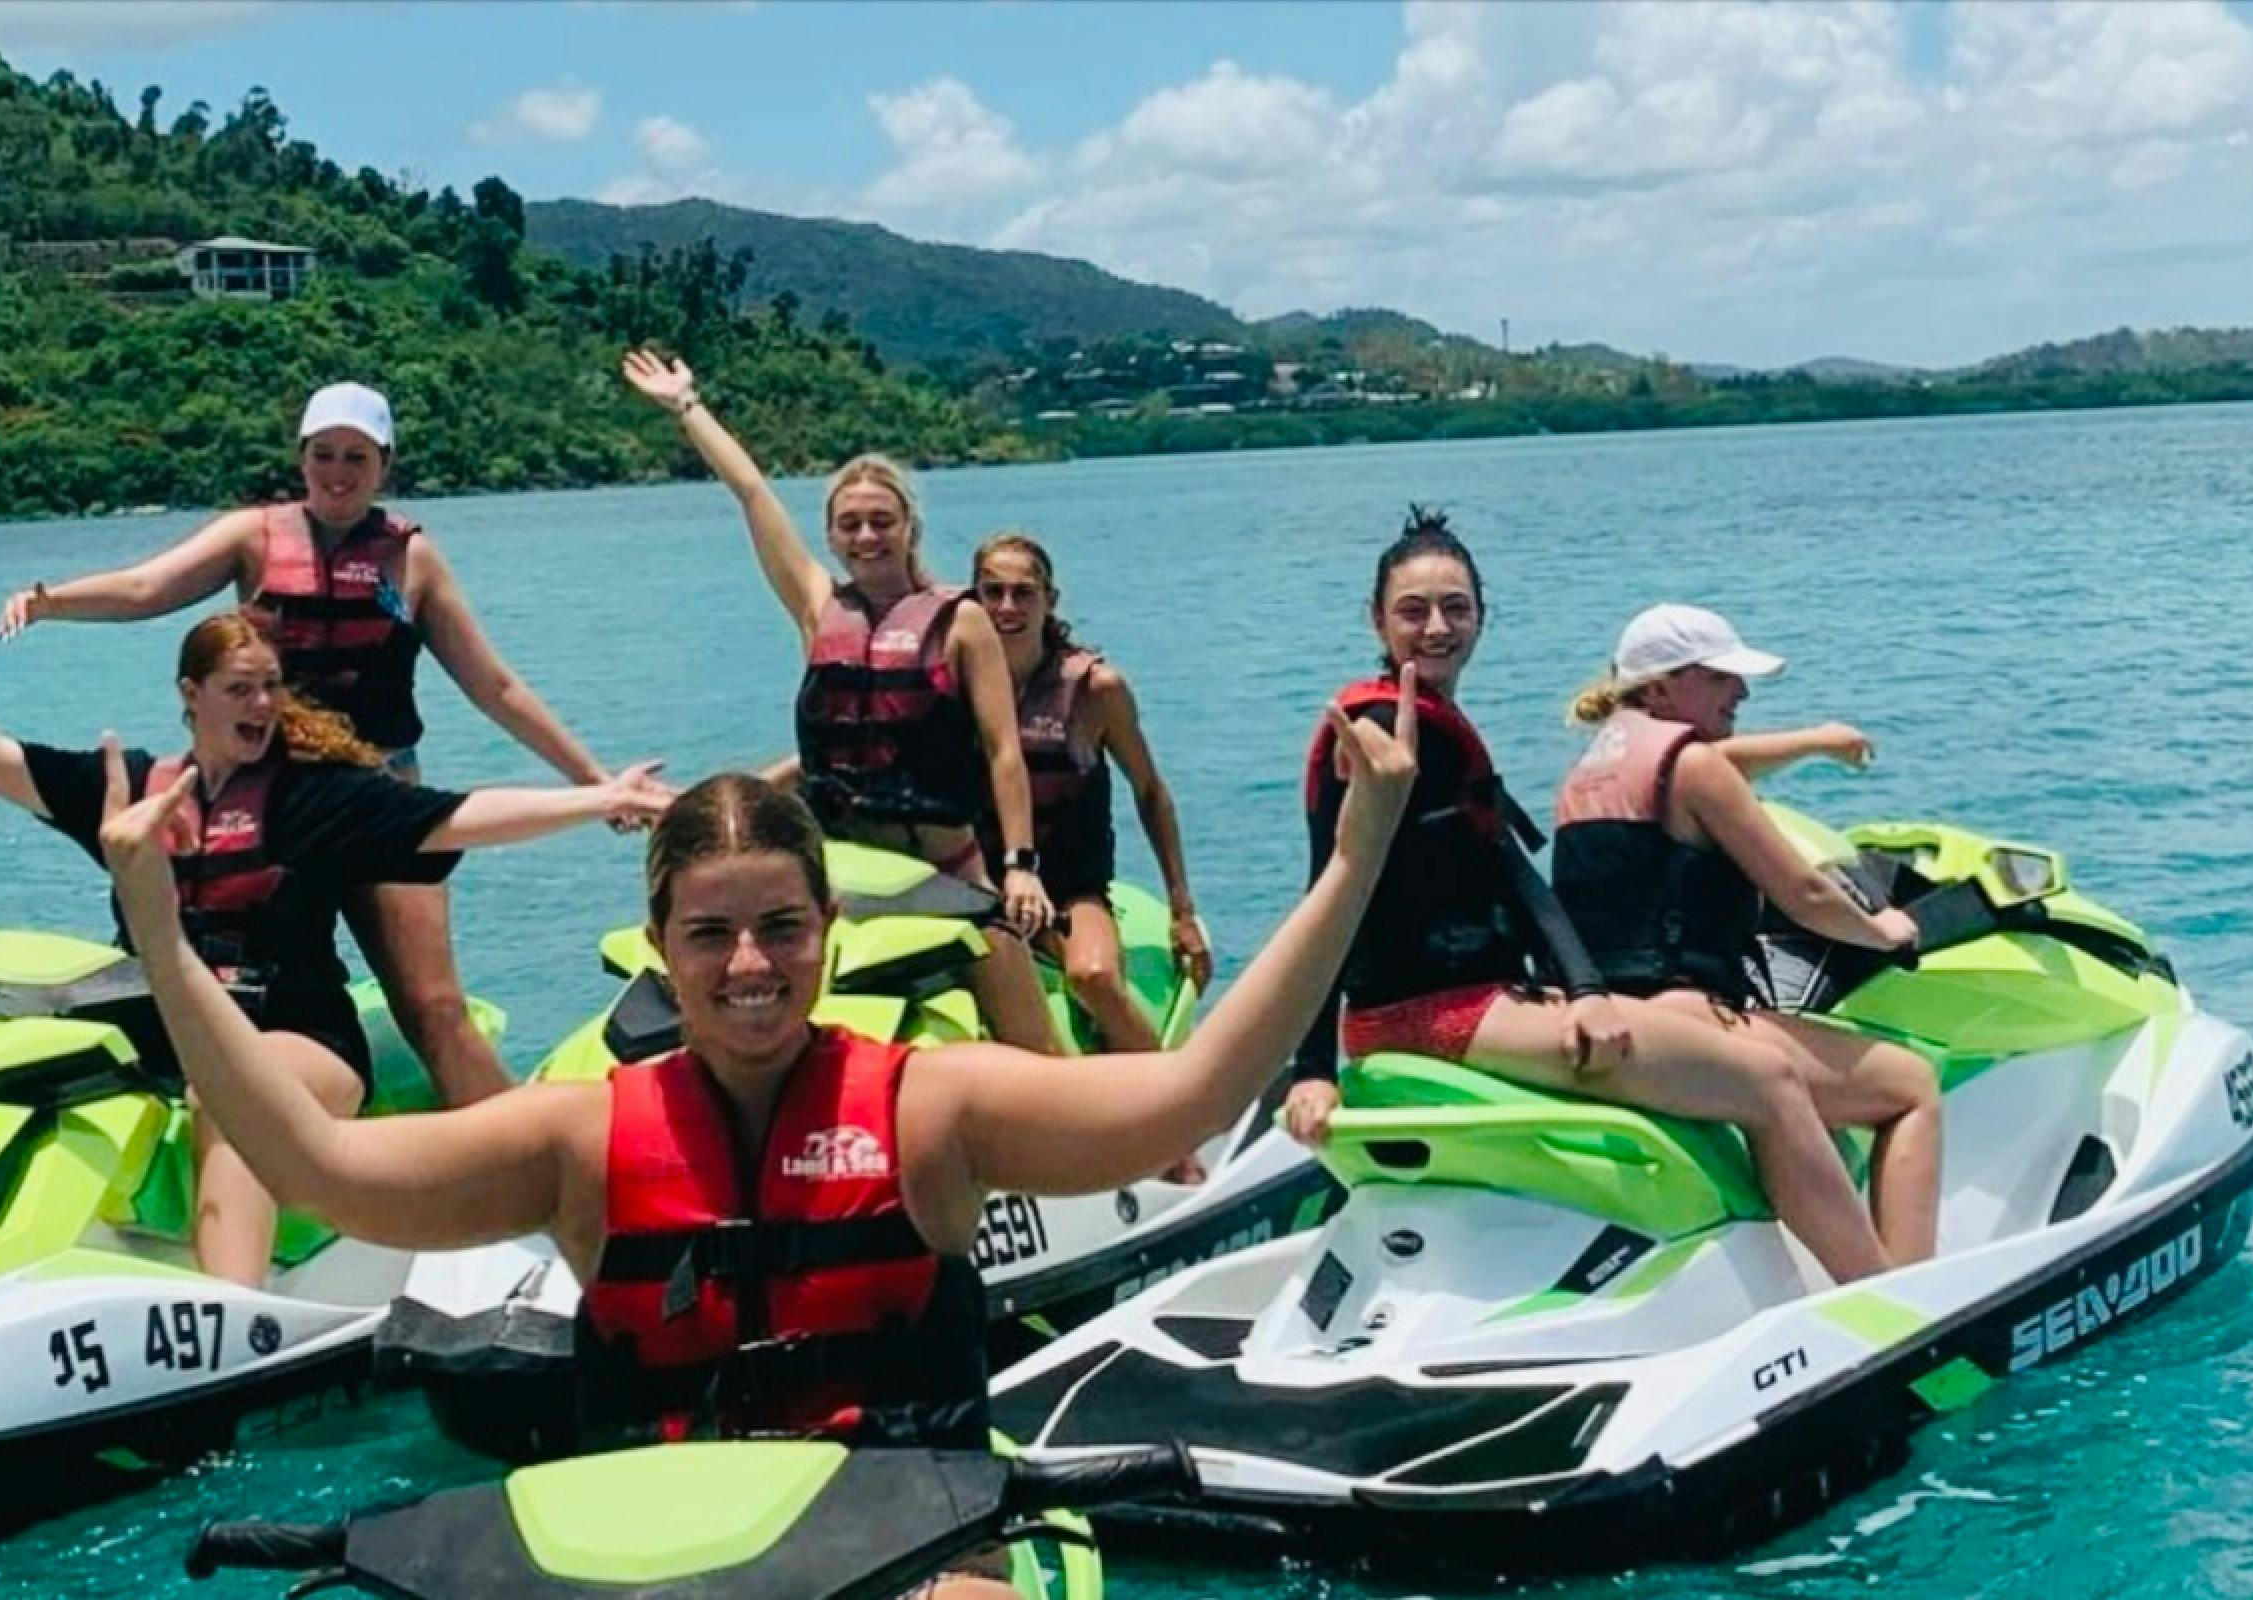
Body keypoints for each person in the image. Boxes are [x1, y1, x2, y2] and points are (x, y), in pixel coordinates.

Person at [81, 692, 1418, 1598]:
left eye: (781, 927)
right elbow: (319, 1168)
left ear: (827, 928)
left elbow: (1189, 1097)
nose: (750, 965)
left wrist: (1354, 861)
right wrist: (161, 928)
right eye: (711, 934)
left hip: (915, 1556)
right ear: (661, 947)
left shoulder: (932, 1107)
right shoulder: (583, 1136)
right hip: (652, 1563)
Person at [0, 612, 673, 1285]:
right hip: (172, 1035)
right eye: (240, 688)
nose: (262, 704)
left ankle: (234, 1314)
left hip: (300, 1040)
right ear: (191, 697)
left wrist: (599, 798)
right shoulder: (130, 790)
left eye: (271, 686)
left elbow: (460, 817)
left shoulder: (312, 797)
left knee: (231, 1096)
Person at [1278, 510, 1917, 1285]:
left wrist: (1583, 991)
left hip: (1478, 999)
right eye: (1414, 611)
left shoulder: (1441, 728)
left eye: (1456, 607)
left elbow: (1514, 875)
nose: (1437, 627)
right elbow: (1327, 894)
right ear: (1377, 619)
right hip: (1435, 1013)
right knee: (1768, 1080)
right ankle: (1884, 1296)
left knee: (1736, 1066)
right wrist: (1311, 1068)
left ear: (1482, 615)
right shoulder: (1378, 728)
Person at [0, 382, 621, 1107]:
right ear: (301, 457)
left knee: (433, 1006)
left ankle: (515, 1153)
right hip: (276, 804)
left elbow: (495, 687)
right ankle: (265, 1115)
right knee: (240, 977)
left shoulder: (412, 559)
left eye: (357, 457)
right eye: (324, 454)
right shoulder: (251, 538)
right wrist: (51, 601)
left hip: (374, 800)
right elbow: (143, 587)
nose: (338, 472)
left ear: (384, 464)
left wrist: (594, 781)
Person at [621, 349, 1062, 1057]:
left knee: (1012, 990)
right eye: (850, 524)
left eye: (881, 521)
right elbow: (752, 493)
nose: (866, 536)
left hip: (941, 873)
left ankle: (1065, 1105)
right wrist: (686, 406)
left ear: (910, 528)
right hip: (836, 870)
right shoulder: (819, 607)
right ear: (830, 534)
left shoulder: (962, 621)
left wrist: (1020, 866)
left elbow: (1004, 752)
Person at [1555, 603, 1941, 1268]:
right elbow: (1807, 895)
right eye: (1719, 677)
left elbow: (1718, 764)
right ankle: (1907, 1294)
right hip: (1690, 1016)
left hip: (1616, 1017)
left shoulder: (1592, 770)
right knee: (1911, 1088)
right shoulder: (1694, 769)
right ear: (1661, 689)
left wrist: (1816, 742)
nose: (1741, 691)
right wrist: (1884, 931)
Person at [972, 532, 1213, 1181]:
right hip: (985, 889)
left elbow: (1151, 792)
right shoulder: (955, 684)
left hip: (1071, 886)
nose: (1007, 606)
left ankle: (1177, 1140)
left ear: (1050, 599)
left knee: (1093, 979)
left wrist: (1182, 910)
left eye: (1023, 592)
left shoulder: (1094, 689)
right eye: (992, 592)